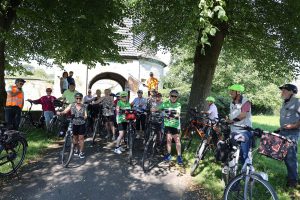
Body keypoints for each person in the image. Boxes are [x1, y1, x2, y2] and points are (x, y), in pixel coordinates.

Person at [153, 90, 183, 165]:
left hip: (176, 125)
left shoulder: (178, 104)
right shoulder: (165, 103)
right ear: (169, 96)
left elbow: (178, 114)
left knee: (177, 141)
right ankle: (169, 155)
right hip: (168, 125)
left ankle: (179, 156)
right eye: (172, 96)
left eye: (175, 96)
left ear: (177, 97)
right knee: (168, 140)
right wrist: (151, 109)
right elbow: (157, 108)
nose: (173, 97)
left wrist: (168, 115)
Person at [278, 83, 299, 188]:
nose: (282, 92)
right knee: (285, 156)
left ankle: (293, 181)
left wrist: (293, 126)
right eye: (282, 90)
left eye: (284, 90)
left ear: (292, 91)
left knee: (290, 157)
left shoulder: (297, 102)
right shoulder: (285, 103)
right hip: (283, 132)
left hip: (292, 133)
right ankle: (291, 176)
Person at [226, 84, 252, 165]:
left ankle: (246, 170)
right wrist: (228, 119)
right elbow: (233, 114)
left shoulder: (246, 102)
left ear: (238, 92)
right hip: (234, 130)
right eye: (230, 91)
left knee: (244, 154)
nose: (230, 93)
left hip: (244, 130)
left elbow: (243, 115)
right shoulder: (232, 102)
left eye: (232, 91)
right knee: (232, 150)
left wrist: (232, 121)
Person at [57, 93, 87, 159]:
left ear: (81, 99)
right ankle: (76, 149)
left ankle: (81, 152)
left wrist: (84, 117)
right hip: (74, 123)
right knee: (75, 138)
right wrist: (60, 113)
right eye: (77, 98)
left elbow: (85, 115)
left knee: (81, 138)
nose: (78, 99)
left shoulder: (84, 106)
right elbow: (65, 111)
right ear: (75, 98)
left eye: (80, 98)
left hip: (82, 123)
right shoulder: (72, 105)